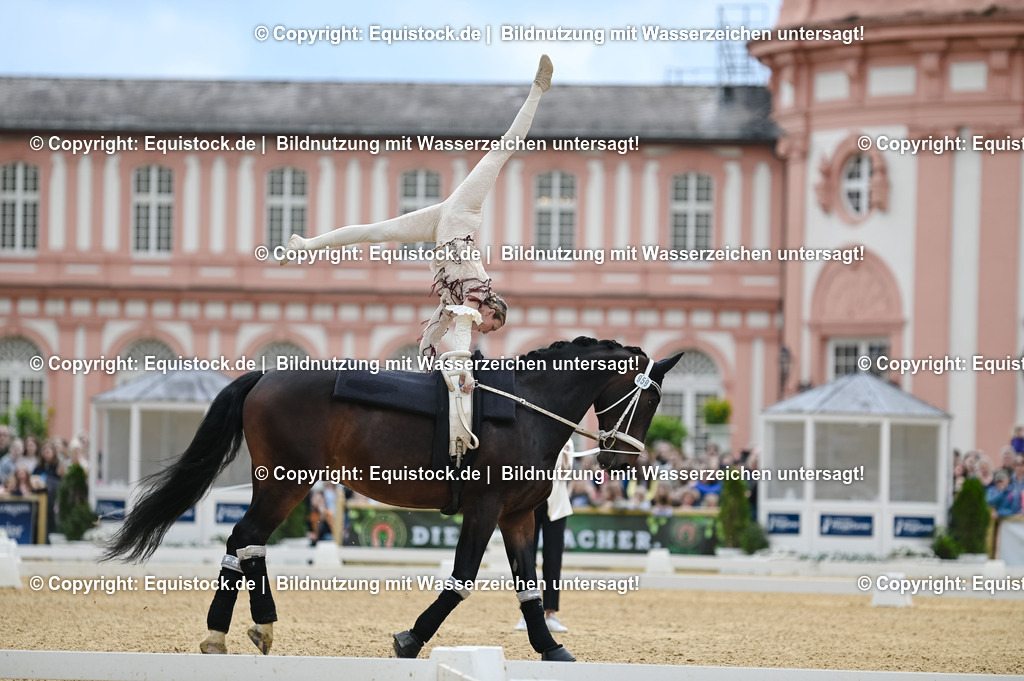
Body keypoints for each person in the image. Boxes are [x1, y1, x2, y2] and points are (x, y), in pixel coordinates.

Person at [283, 55, 553, 363]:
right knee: (501, 151)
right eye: (491, 328)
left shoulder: (452, 298)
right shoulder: (475, 292)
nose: (486, 332)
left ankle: (304, 244)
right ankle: (538, 89)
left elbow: (428, 340)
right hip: (462, 215)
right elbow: (464, 332)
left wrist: (431, 368)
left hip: (442, 226)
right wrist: (462, 371)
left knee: (378, 231)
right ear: (490, 311)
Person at [515, 438, 574, 633]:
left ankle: (550, 612)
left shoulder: (568, 442)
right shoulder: (534, 435)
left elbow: (565, 472)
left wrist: (562, 452)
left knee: (553, 558)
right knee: (527, 558)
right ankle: (528, 613)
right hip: (532, 501)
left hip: (557, 505)